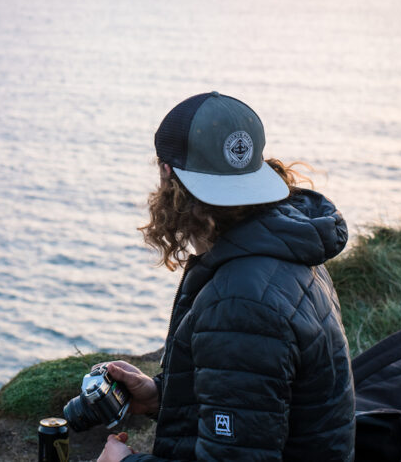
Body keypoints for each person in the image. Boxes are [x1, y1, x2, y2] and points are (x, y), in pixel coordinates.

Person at [97, 92, 355, 462]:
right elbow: (253, 405)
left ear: (167, 175)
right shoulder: (283, 244)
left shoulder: (241, 304)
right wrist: (159, 395)